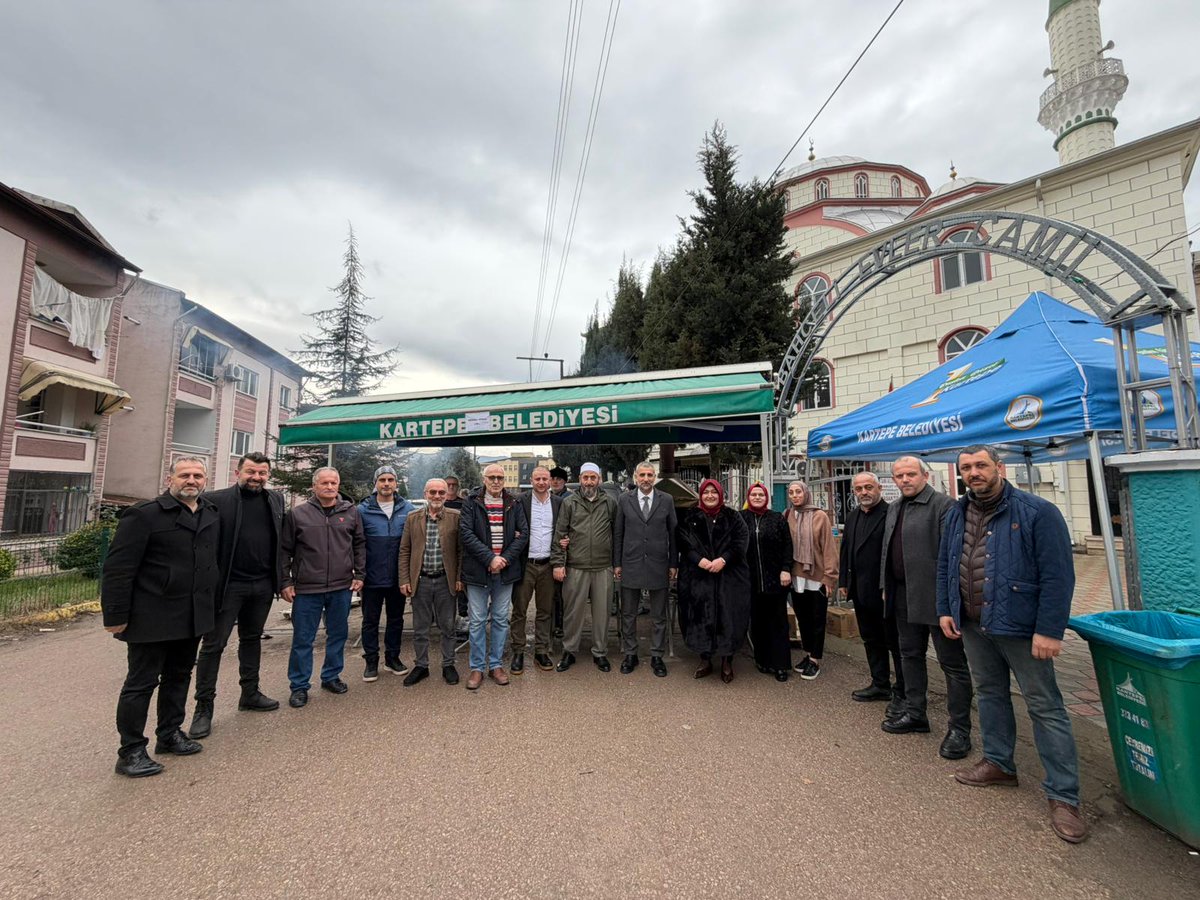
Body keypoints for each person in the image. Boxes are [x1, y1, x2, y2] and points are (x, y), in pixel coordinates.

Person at [937, 445, 1086, 843]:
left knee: (1045, 706)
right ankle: (999, 763)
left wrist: (1050, 629)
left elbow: (1058, 576)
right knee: (989, 693)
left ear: (999, 467)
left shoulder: (1037, 512)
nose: (973, 472)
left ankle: (1064, 796)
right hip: (971, 622)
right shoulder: (957, 512)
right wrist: (945, 607)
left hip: (1021, 627)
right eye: (966, 467)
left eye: (981, 465)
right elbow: (947, 564)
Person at [101, 457, 219, 777]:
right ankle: (131, 750)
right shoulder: (144, 515)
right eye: (184, 475)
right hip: (151, 614)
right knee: (141, 683)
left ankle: (169, 734)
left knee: (179, 677)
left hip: (192, 615)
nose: (191, 480)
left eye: (197, 475)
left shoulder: (209, 513)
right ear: (170, 479)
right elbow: (118, 568)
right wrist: (114, 615)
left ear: (205, 480)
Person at [880, 456, 973, 761]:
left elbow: (952, 556)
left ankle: (960, 729)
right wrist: (886, 586)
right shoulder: (895, 508)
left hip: (937, 599)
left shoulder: (944, 506)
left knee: (952, 665)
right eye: (899, 476)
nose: (904, 480)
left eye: (910, 474)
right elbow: (888, 550)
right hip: (903, 596)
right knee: (909, 656)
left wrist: (949, 602)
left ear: (925, 476)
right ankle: (915, 712)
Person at [189, 452, 285, 740]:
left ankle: (250, 693)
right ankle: (203, 709)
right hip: (228, 586)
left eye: (262, 473)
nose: (257, 477)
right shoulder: (216, 501)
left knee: (252, 639)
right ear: (237, 473)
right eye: (251, 472)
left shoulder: (275, 500)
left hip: (262, 585)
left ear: (268, 475)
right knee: (213, 645)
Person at [280, 466, 365, 708]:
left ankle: (331, 676)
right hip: (307, 588)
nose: (329, 487)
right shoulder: (298, 514)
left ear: (338, 485)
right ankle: (299, 686)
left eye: (333, 483)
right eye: (324, 483)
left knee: (337, 634)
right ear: (314, 486)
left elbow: (359, 545)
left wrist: (360, 574)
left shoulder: (350, 512)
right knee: (303, 638)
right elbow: (284, 551)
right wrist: (285, 581)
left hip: (341, 586)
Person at [460, 464, 529, 689]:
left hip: (505, 571)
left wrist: (504, 559)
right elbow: (467, 534)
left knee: (500, 620)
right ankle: (477, 668)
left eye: (500, 477)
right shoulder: (471, 502)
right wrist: (490, 558)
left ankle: (496, 665)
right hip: (479, 571)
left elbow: (523, 534)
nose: (497, 481)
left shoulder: (514, 503)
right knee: (478, 621)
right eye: (492, 477)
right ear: (484, 479)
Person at [676, 478, 750, 683]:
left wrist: (723, 560)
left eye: (714, 492)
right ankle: (705, 658)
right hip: (698, 578)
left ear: (720, 495)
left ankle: (727, 660)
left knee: (728, 617)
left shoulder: (733, 517)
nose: (710, 496)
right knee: (700, 616)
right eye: (706, 492)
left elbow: (741, 542)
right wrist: (699, 561)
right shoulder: (690, 517)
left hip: (729, 577)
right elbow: (682, 541)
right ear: (700, 495)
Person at [839, 471, 902, 706]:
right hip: (859, 590)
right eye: (858, 489)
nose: (863, 492)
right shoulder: (854, 515)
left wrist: (890, 585)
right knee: (871, 639)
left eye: (868, 487)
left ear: (879, 488)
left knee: (893, 641)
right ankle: (880, 683)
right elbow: (846, 548)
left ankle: (903, 688)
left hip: (883, 590)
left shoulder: (891, 514)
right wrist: (844, 582)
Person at [552, 462, 618, 673]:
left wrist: (617, 564)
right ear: (580, 479)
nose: (589, 481)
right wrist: (559, 563)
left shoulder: (610, 502)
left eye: (593, 477)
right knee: (573, 612)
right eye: (585, 477)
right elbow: (560, 534)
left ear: (599, 479)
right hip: (575, 567)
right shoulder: (569, 503)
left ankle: (600, 652)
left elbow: (616, 534)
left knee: (602, 612)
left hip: (602, 566)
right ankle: (569, 651)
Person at [614, 462, 677, 677]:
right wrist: (617, 563)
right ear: (635, 477)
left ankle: (657, 655)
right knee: (629, 613)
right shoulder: (624, 500)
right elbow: (618, 534)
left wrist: (673, 564)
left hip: (659, 564)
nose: (646, 479)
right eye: (642, 475)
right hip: (631, 563)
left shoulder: (666, 500)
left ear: (656, 476)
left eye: (650, 475)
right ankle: (630, 653)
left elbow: (673, 534)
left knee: (659, 615)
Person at [399, 478, 463, 686]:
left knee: (448, 626)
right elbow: (405, 550)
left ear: (446, 495)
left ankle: (448, 664)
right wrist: (404, 579)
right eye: (433, 492)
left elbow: (462, 552)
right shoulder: (413, 517)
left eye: (441, 493)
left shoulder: (456, 517)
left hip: (446, 580)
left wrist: (459, 577)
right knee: (420, 627)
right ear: (425, 493)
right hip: (421, 580)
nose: (437, 496)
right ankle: (421, 665)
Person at [357, 465, 416, 682]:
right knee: (370, 621)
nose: (387, 484)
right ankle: (371, 661)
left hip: (397, 577)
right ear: (376, 483)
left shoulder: (407, 509)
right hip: (371, 578)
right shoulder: (363, 510)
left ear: (396, 483)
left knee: (395, 619)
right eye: (382, 480)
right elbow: (357, 543)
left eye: (391, 479)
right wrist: (359, 574)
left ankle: (392, 658)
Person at [784, 480, 838, 680]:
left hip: (817, 575)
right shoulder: (788, 515)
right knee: (803, 617)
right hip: (797, 575)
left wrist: (830, 577)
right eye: (791, 492)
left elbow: (829, 548)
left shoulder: (819, 516)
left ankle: (815, 659)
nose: (795, 495)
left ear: (805, 493)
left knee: (817, 618)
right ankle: (807, 653)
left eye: (798, 492)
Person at [740, 482, 792, 682]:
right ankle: (762, 659)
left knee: (778, 622)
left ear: (766, 497)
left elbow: (787, 545)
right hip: (750, 579)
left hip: (775, 579)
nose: (757, 497)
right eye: (754, 494)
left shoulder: (776, 518)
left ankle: (780, 665)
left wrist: (786, 568)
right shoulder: (741, 518)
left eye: (761, 494)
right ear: (748, 497)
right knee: (758, 621)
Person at [512, 466, 562, 674]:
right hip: (526, 564)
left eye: (545, 479)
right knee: (519, 610)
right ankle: (518, 651)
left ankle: (541, 650)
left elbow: (563, 529)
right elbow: (511, 525)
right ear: (531, 481)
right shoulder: (520, 501)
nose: (541, 482)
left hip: (548, 564)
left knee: (544, 611)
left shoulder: (559, 503)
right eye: (537, 479)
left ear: (550, 481)